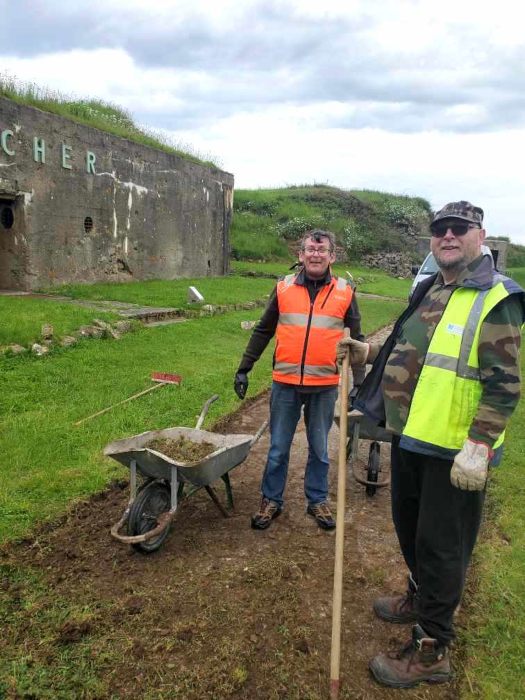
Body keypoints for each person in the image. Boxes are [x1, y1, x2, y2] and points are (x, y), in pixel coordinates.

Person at [337, 201, 524, 688]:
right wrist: (368, 351)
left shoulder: (495, 297)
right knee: (410, 530)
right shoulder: (431, 288)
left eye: (458, 229)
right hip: (412, 437)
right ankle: (421, 598)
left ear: (480, 236)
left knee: (443, 549)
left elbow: (504, 385)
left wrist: (479, 445)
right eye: (439, 229)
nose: (447, 236)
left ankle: (432, 650)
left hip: (454, 452)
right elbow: (414, 350)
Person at [234, 229, 365, 531]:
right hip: (285, 383)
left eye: (322, 250)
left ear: (332, 256)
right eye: (310, 249)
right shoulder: (284, 287)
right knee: (279, 447)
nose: (315, 255)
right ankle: (271, 500)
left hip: (323, 386)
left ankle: (317, 499)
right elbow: (264, 330)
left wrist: (359, 383)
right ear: (300, 255)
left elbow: (357, 340)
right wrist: (244, 368)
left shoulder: (345, 291)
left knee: (319, 448)